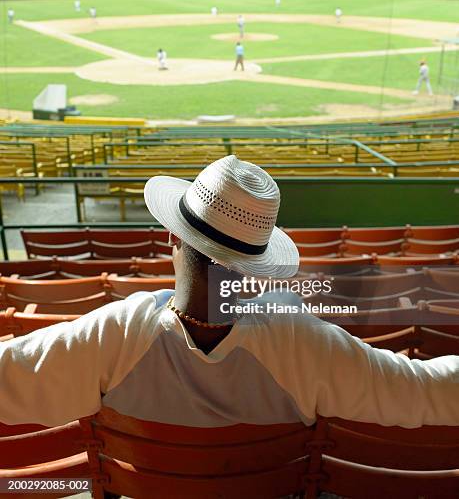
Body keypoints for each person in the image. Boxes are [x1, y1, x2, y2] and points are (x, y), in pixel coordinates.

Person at [0, 155, 458, 431]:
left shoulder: (113, 335)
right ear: (255, 267)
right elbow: (424, 391)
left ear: (172, 239)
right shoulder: (305, 343)